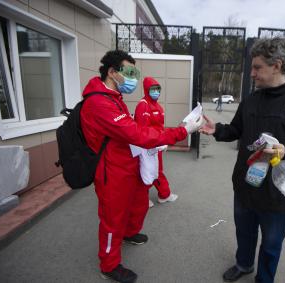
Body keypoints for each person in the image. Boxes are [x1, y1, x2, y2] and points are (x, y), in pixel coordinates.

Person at [200, 38, 285, 283]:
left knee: (271, 243)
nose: (253, 73)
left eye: (257, 67)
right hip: (246, 184)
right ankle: (244, 264)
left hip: (279, 191)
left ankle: (264, 278)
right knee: (244, 233)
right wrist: (216, 129)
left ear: (276, 65)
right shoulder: (251, 99)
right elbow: (236, 129)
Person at [80, 50, 203, 283]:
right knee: (112, 218)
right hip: (111, 171)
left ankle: (129, 233)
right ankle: (109, 264)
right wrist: (181, 131)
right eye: (128, 72)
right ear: (112, 72)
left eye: (135, 73)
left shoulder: (113, 98)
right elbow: (135, 132)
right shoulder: (99, 102)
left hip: (129, 164)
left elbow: (131, 134)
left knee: (137, 204)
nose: (133, 78)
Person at [134, 77, 178, 208]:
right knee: (146, 171)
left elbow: (159, 127)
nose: (156, 92)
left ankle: (164, 194)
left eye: (158, 89)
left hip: (156, 144)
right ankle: (145, 198)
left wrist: (163, 139)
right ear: (147, 90)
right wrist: (155, 142)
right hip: (147, 146)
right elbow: (142, 130)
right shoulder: (143, 105)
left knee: (155, 171)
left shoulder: (157, 105)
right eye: (153, 89)